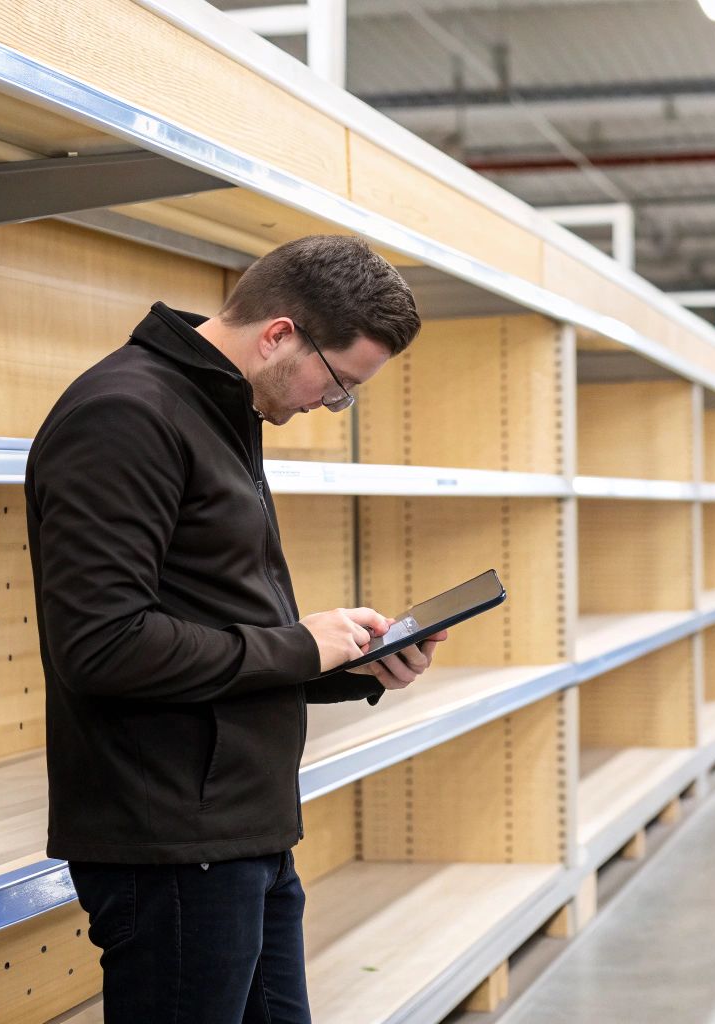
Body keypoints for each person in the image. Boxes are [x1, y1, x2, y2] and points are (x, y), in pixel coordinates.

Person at [24, 234, 440, 1023]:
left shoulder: (221, 409)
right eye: (339, 382)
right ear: (280, 333)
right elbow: (102, 645)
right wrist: (297, 644)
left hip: (242, 830)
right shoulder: (126, 415)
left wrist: (346, 660)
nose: (330, 402)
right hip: (172, 845)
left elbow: (210, 617)